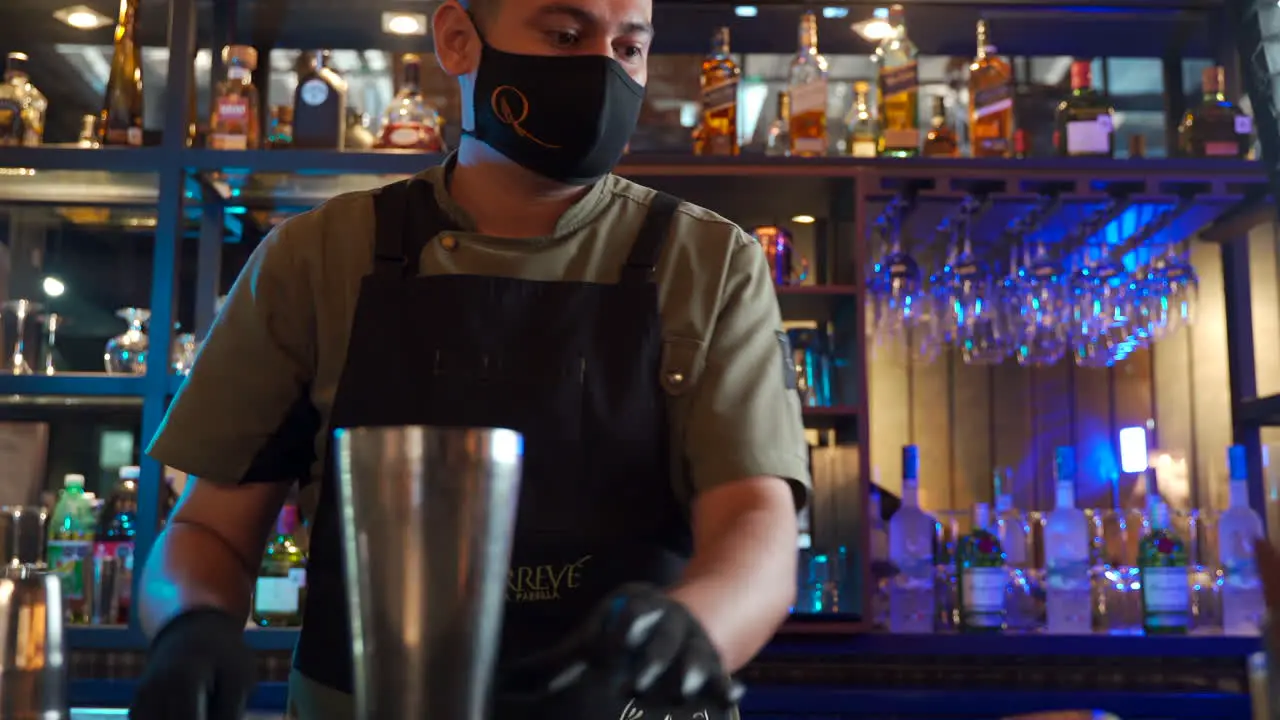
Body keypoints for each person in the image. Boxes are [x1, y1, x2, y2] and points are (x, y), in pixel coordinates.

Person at [127, 0, 810, 718]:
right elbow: (207, 530)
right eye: (565, 35)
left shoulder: (707, 262)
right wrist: (190, 624)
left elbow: (756, 531)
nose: (605, 70)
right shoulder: (318, 258)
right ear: (458, 40)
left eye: (629, 48)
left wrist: (690, 632)